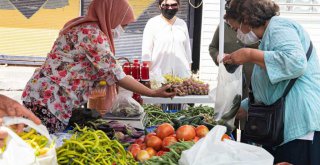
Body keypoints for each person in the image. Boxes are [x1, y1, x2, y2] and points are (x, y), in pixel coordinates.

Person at [22, 0, 176, 134]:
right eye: (124, 25)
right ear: (111, 15)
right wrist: (153, 93)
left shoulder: (82, 26)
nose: (122, 30)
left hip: (42, 95)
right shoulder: (93, 35)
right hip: (48, 101)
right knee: (39, 146)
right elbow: (118, 76)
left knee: (35, 142)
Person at [223, 0, 320, 164]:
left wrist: (249, 55)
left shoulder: (279, 27)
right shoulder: (267, 37)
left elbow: (296, 62)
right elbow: (272, 88)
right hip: (283, 129)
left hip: (298, 127)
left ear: (246, 20)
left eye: (235, 28)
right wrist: (244, 107)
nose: (236, 34)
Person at [142, 0, 192, 78]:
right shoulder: (152, 23)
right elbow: (146, 53)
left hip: (182, 76)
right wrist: (148, 77)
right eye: (166, 5)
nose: (170, 8)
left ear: (178, 6)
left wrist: (189, 73)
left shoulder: (182, 24)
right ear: (159, 6)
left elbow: (187, 52)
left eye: (173, 5)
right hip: (159, 77)